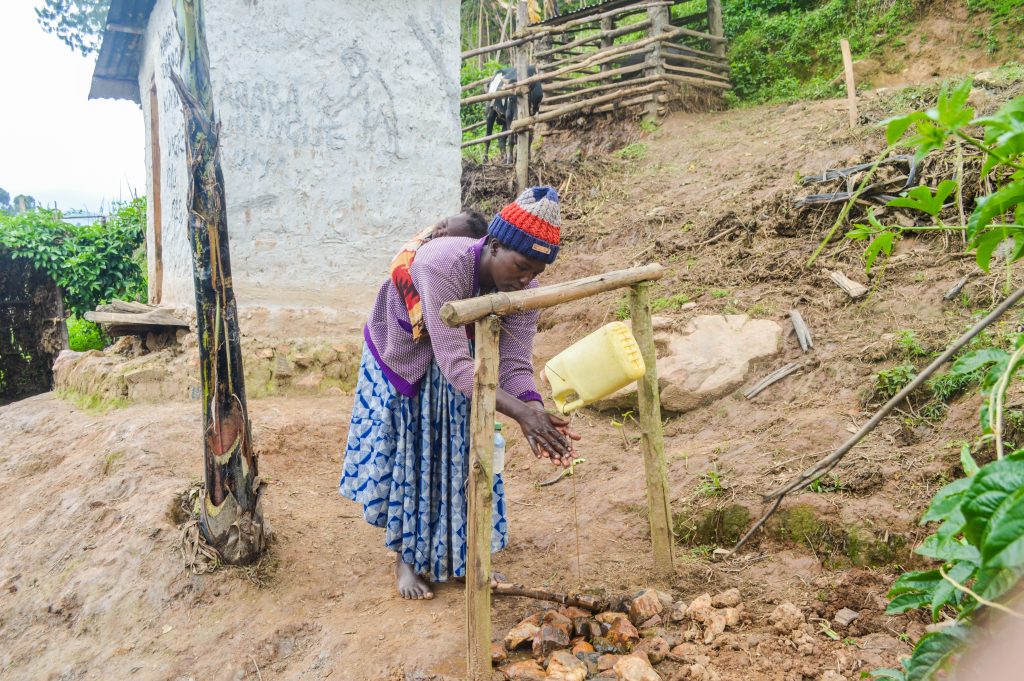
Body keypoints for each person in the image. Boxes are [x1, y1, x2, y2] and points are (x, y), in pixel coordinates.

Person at [339, 186, 579, 600]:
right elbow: (456, 367)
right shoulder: (443, 266)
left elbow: (514, 364)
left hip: (461, 362)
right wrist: (521, 414)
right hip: (407, 351)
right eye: (521, 266)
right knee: (417, 452)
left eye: (535, 272)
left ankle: (461, 555)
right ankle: (407, 558)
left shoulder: (525, 289)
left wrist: (535, 410)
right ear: (494, 245)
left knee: (462, 453)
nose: (526, 279)